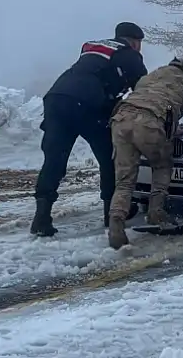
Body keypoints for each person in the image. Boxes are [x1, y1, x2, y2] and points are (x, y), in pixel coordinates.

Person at [32, 22, 147, 237]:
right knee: (109, 156)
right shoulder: (129, 54)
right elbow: (144, 88)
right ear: (134, 41)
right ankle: (111, 213)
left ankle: (41, 216)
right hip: (88, 104)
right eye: (140, 43)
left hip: (56, 98)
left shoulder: (93, 46)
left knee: (54, 159)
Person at [107, 57, 183, 250]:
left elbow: (147, 102)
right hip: (150, 123)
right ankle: (156, 212)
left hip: (121, 118)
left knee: (125, 179)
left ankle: (116, 223)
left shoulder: (148, 77)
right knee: (161, 165)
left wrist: (169, 126)